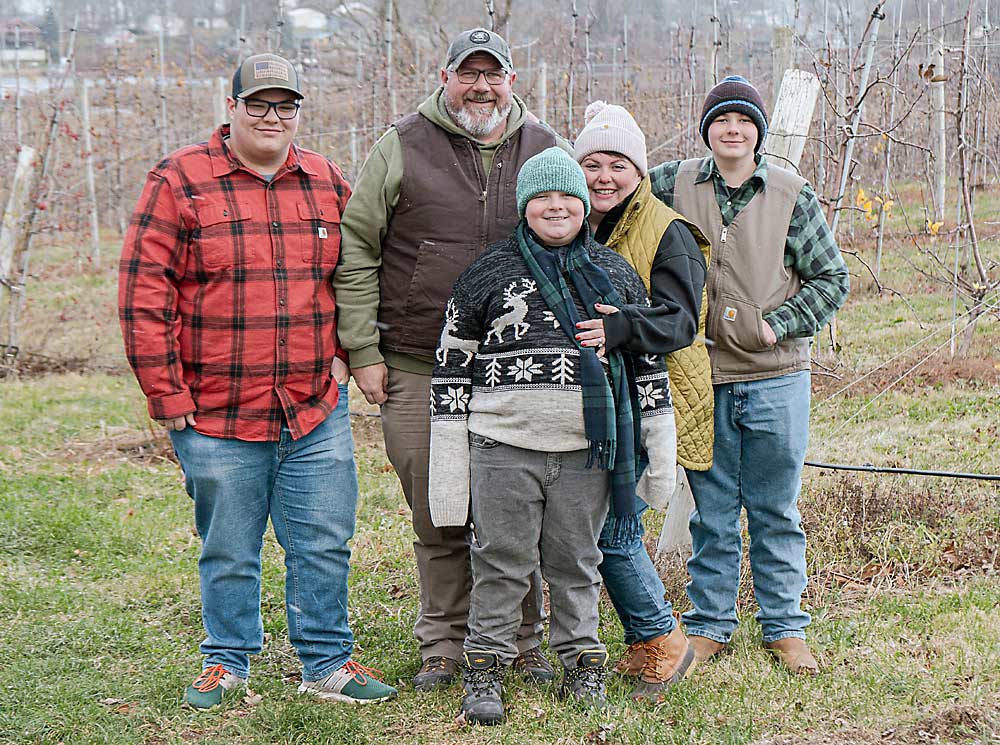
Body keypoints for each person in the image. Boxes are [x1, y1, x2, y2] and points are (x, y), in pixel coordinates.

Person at [119, 53, 396, 709]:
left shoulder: (328, 181)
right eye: (259, 105)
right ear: (233, 107)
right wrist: (167, 394)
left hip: (311, 407)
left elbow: (358, 276)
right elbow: (142, 294)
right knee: (229, 548)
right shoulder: (179, 181)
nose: (273, 118)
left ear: (299, 111)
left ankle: (327, 662)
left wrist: (349, 356)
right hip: (216, 410)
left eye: (287, 106)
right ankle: (227, 663)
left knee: (324, 543)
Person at [333, 28, 569, 690]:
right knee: (437, 506)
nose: (482, 87)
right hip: (416, 362)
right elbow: (357, 247)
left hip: (514, 367)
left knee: (514, 505)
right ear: (446, 76)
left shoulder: (546, 148)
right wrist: (364, 349)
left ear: (512, 82)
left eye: (494, 75)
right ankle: (444, 640)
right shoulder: (402, 144)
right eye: (470, 73)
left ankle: (523, 639)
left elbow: (579, 239)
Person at [428, 147, 678, 724]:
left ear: (584, 202)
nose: (558, 206)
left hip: (588, 451)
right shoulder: (486, 275)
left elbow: (646, 362)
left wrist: (660, 446)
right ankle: (486, 669)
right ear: (525, 205)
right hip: (503, 447)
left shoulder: (614, 275)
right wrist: (448, 461)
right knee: (501, 561)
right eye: (544, 196)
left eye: (569, 195)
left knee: (576, 563)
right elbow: (451, 366)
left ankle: (582, 665)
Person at [648, 76, 850, 674]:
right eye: (720, 121)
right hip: (699, 375)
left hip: (774, 375)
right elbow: (618, 195)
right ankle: (710, 625)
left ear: (757, 132)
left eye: (743, 122)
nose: (731, 130)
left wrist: (777, 325)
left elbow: (831, 279)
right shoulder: (676, 183)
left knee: (774, 509)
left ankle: (785, 627)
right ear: (706, 129)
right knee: (710, 511)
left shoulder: (790, 192)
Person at [571, 101, 712, 701]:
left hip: (655, 396)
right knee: (605, 523)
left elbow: (681, 321)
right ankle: (644, 641)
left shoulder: (667, 230)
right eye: (593, 165)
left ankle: (663, 638)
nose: (604, 177)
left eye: (618, 166)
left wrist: (619, 328)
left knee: (617, 530)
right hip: (602, 401)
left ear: (640, 170)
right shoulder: (578, 223)